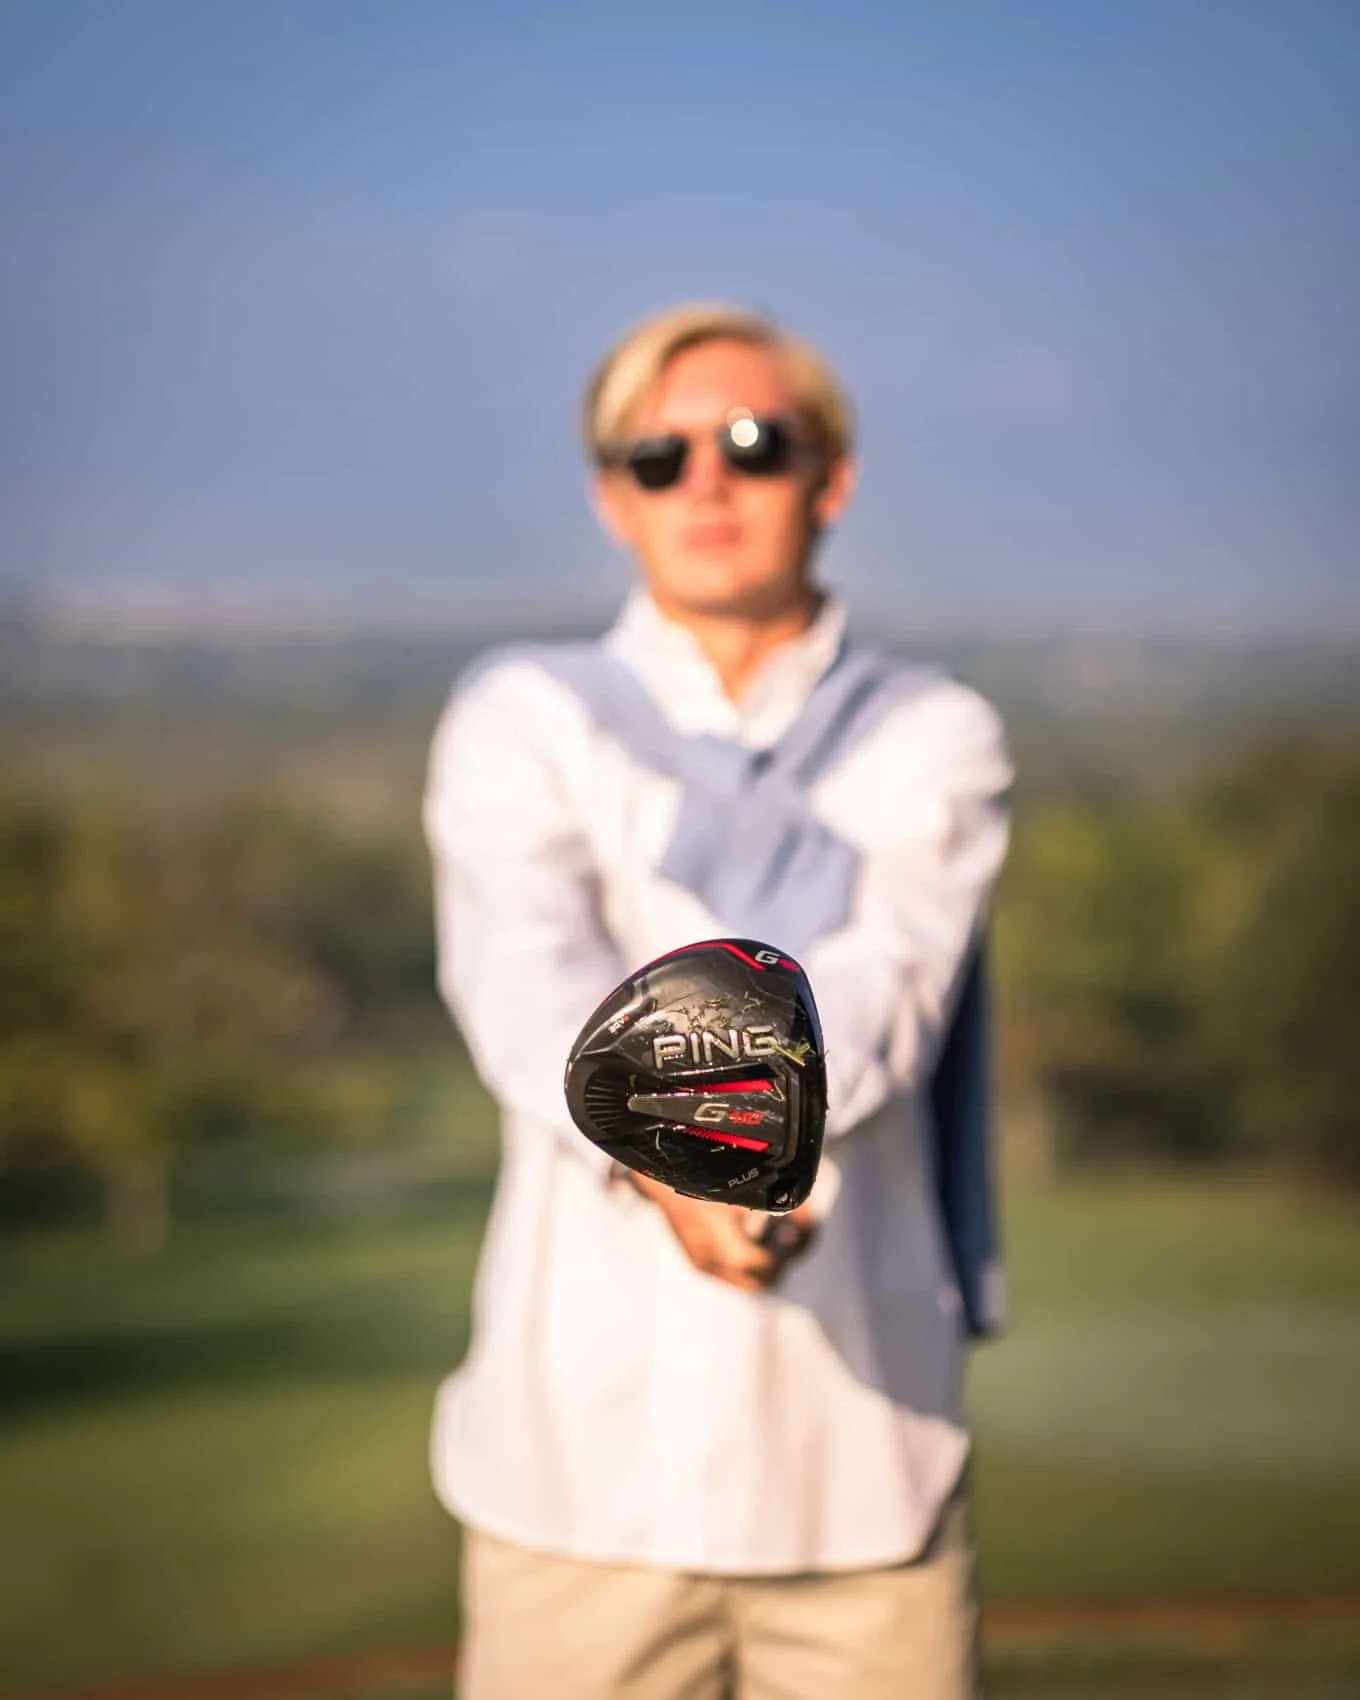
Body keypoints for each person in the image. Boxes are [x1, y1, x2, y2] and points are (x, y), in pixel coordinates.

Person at [423, 302, 1013, 1700]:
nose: (706, 482)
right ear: (610, 497)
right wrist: (677, 1160)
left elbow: (887, 987)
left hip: (858, 1482)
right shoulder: (525, 715)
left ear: (832, 475)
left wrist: (745, 1151)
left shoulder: (933, 733)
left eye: (752, 443)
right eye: (656, 455)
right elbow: (522, 975)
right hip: (572, 1480)